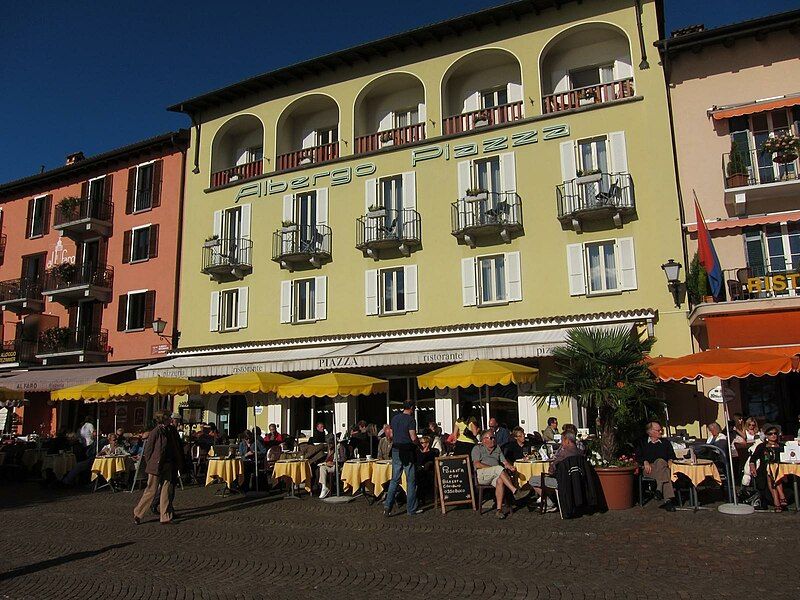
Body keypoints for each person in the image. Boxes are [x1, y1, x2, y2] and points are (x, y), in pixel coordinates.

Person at [133, 411, 183, 525]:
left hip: (168, 464)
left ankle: (165, 517)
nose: (170, 419)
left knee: (166, 491)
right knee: (151, 490)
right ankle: (138, 513)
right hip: (156, 465)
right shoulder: (156, 431)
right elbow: (148, 449)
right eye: (168, 417)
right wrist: (151, 463)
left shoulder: (170, 430)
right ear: (163, 419)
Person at [472, 430, 529, 519]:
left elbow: (504, 462)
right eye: (490, 438)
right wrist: (492, 468)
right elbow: (477, 464)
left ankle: (499, 510)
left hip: (496, 474)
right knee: (498, 468)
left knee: (500, 481)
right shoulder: (477, 448)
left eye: (493, 437)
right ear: (483, 440)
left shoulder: (497, 448)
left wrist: (511, 467)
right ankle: (515, 490)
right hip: (482, 474)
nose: (492, 440)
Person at [384, 400, 422, 517]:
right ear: (410, 408)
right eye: (413, 408)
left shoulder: (394, 418)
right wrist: (419, 445)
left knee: (395, 479)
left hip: (396, 449)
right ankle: (411, 509)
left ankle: (387, 506)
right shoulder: (411, 420)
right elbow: (413, 437)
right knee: (410, 480)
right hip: (407, 450)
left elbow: (391, 434)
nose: (414, 410)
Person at [534, 431, 582, 512]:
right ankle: (554, 498)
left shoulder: (563, 454)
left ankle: (550, 504)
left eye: (562, 440)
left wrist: (551, 465)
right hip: (577, 480)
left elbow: (551, 471)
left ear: (567, 441)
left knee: (533, 480)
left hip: (563, 482)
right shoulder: (580, 452)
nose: (561, 443)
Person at [635, 421, 677, 512]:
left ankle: (659, 489)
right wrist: (645, 461)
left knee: (661, 461)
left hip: (663, 467)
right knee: (664, 472)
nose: (661, 432)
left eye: (661, 430)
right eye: (658, 430)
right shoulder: (642, 442)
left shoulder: (665, 442)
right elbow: (638, 457)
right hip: (649, 469)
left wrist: (670, 460)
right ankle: (668, 501)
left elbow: (672, 456)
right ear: (650, 432)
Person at [750, 425, 787, 511]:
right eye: (770, 434)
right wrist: (752, 466)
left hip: (781, 471)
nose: (773, 435)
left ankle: (777, 501)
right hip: (764, 471)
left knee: (773, 471)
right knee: (770, 471)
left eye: (775, 433)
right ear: (766, 435)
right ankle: (781, 497)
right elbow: (753, 458)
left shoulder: (782, 446)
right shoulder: (762, 446)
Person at [415, 435, 440, 504]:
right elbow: (419, 461)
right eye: (420, 443)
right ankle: (420, 498)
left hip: (430, 470)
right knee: (421, 476)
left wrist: (425, 452)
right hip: (420, 470)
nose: (421, 444)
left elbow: (433, 460)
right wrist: (423, 452)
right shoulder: (418, 451)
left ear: (428, 443)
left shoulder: (433, 451)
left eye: (422, 442)